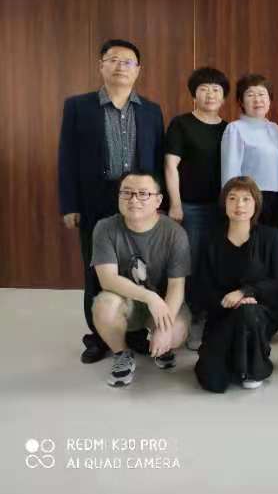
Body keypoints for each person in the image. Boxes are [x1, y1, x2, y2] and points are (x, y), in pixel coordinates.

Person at [58, 39, 164, 364]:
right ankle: (98, 336)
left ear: (138, 70)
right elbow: (67, 158)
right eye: (113, 59)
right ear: (101, 65)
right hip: (96, 198)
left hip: (139, 201)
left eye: (128, 61)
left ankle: (135, 332)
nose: (120, 66)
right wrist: (70, 204)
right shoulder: (78, 107)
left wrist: (157, 202)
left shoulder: (151, 110)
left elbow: (158, 160)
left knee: (138, 267)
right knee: (96, 268)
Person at [90, 171, 191, 387]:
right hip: (127, 302)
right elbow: (108, 279)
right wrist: (149, 297)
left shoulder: (175, 233)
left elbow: (177, 286)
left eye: (143, 194)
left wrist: (164, 328)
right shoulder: (105, 228)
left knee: (175, 332)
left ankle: (163, 346)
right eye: (126, 193)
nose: (134, 200)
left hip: (163, 303)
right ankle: (122, 353)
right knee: (104, 305)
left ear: (158, 200)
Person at [194, 177, 278, 393]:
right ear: (224, 203)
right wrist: (230, 302)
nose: (239, 205)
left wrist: (246, 292)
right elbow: (201, 286)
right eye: (233, 198)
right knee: (213, 381)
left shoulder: (269, 236)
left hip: (261, 311)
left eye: (246, 199)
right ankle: (236, 357)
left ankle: (255, 369)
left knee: (248, 312)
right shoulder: (211, 238)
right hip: (223, 312)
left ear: (256, 204)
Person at [164, 67, 229, 350]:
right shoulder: (181, 124)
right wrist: (176, 203)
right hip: (190, 207)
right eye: (204, 89)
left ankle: (215, 318)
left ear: (224, 97)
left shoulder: (229, 129)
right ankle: (193, 318)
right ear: (194, 94)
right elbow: (170, 166)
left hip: (222, 209)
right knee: (191, 263)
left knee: (216, 263)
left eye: (216, 89)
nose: (210, 94)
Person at [221, 73, 278, 263]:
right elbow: (230, 172)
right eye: (250, 95)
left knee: (276, 247)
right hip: (252, 198)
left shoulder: (275, 128)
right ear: (241, 101)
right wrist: (232, 201)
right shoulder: (235, 128)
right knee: (256, 249)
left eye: (262, 94)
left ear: (270, 100)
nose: (257, 100)